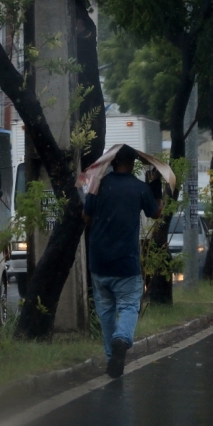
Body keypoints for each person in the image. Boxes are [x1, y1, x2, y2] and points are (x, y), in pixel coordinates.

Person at [83, 145, 162, 378]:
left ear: (112, 162)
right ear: (133, 163)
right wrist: (156, 188)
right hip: (126, 262)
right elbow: (155, 213)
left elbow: (86, 217)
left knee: (106, 311)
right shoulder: (139, 188)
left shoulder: (98, 186)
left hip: (99, 261)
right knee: (128, 306)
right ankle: (121, 339)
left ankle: (112, 359)